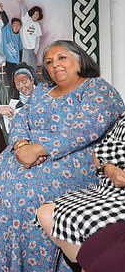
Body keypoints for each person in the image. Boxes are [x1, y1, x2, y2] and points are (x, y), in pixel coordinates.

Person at [0, 40, 124, 272]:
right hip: (23, 152)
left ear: (79, 61)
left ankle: (28, 267)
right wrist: (21, 144)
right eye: (49, 62)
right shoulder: (42, 91)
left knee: (20, 196)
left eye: (62, 58)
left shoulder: (97, 88)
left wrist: (37, 149)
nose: (55, 64)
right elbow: (20, 118)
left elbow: (85, 130)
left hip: (72, 157)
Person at [36, 110, 125, 266]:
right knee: (45, 213)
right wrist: (109, 169)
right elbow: (97, 155)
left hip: (120, 200)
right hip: (106, 188)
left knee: (89, 231)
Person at [16, 0, 43, 69]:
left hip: (32, 49)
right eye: (34, 14)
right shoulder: (26, 19)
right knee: (24, 65)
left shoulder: (37, 25)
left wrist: (36, 49)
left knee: (33, 66)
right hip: (24, 47)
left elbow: (38, 38)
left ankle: (33, 79)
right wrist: (20, 0)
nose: (35, 16)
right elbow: (24, 9)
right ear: (32, 13)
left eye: (37, 15)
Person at [1, 16, 23, 88]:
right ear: (12, 25)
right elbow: (5, 21)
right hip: (8, 60)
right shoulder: (7, 30)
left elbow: (20, 49)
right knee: (10, 80)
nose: (16, 27)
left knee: (17, 80)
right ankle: (12, 94)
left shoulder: (20, 36)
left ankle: (16, 94)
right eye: (14, 24)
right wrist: (2, 11)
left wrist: (20, 61)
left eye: (18, 25)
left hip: (16, 62)